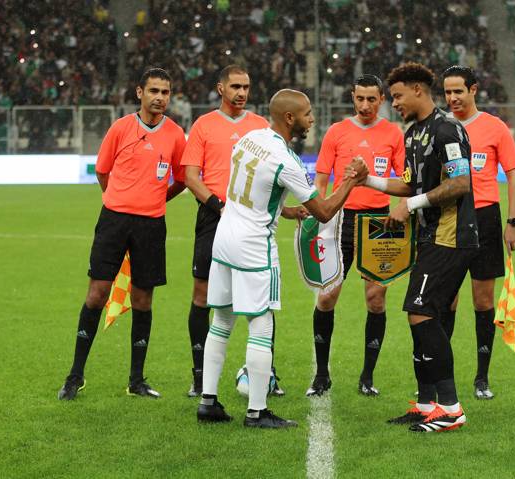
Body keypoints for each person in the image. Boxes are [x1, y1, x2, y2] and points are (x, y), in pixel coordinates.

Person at [196, 89, 367, 428]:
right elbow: (324, 211)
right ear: (289, 118)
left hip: (225, 237)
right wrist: (349, 180)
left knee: (221, 321)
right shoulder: (285, 160)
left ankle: (207, 402)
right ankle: (257, 412)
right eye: (307, 113)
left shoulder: (251, 137)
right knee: (262, 324)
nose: (312, 118)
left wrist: (284, 210)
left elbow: (250, 192)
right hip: (254, 246)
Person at [357, 62, 478, 432]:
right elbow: (410, 186)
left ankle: (452, 409)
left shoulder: (447, 129)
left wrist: (411, 207)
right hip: (430, 236)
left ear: (418, 91)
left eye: (396, 96)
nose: (393, 103)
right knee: (423, 314)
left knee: (420, 312)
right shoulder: (413, 135)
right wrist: (370, 180)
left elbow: (461, 183)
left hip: (453, 235)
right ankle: (427, 404)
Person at [57, 68, 187, 400]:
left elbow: (183, 179)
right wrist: (117, 200)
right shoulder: (121, 128)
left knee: (143, 300)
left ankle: (136, 380)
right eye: (154, 90)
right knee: (97, 294)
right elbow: (103, 171)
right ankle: (75, 376)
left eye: (165, 92)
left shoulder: (175, 134)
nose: (160, 97)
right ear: (139, 92)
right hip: (114, 220)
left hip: (151, 225)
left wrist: (157, 199)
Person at [182, 65, 289, 398]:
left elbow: (271, 180)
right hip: (215, 217)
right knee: (204, 296)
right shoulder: (203, 125)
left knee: (261, 300)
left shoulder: (259, 126)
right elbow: (190, 176)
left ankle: (264, 373)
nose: (242, 93)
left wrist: (287, 210)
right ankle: (200, 376)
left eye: (246, 87)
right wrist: (219, 205)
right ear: (220, 88)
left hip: (253, 222)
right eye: (236, 87)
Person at [307, 74, 406, 397]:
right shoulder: (337, 131)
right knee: (327, 296)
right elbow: (322, 177)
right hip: (339, 221)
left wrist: (402, 208)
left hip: (379, 224)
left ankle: (367, 376)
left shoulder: (393, 133)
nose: (365, 105)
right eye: (360, 98)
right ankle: (322, 374)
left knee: (376, 300)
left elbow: (406, 179)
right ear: (352, 97)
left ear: (382, 100)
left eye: (372, 99)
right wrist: (320, 212)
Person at [442, 66, 515, 399]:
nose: (452, 98)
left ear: (473, 90)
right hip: (449, 217)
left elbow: (514, 175)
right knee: (446, 299)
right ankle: (440, 376)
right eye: (447, 92)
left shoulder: (494, 127)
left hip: (486, 217)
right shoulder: (440, 127)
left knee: (483, 299)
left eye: (458, 91)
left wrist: (513, 222)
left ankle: (481, 377)